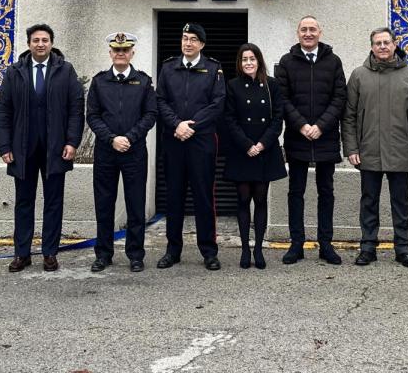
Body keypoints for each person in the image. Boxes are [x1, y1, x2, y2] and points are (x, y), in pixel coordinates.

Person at [0, 23, 85, 273]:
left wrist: (72, 142)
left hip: (55, 149)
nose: (40, 44)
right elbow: (2, 111)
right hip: (22, 149)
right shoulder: (14, 72)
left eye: (45, 40)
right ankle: (22, 254)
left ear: (52, 43)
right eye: (36, 40)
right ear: (28, 44)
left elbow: (76, 109)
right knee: (24, 202)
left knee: (54, 202)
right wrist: (4, 146)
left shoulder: (65, 71)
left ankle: (50, 253)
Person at [342, 28, 408, 267]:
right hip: (367, 150)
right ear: (371, 47)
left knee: (400, 203)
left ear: (394, 45)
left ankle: (403, 249)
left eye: (386, 42)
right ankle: (368, 247)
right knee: (368, 201)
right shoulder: (359, 75)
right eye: (377, 43)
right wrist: (351, 148)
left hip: (402, 150)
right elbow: (348, 115)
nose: (382, 46)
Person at [274, 15, 347, 265]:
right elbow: (282, 99)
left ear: (320, 32)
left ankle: (326, 244)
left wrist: (320, 126)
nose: (308, 33)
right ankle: (297, 244)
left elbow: (339, 98)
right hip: (297, 137)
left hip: (325, 137)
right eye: (304, 29)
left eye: (312, 29)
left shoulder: (333, 62)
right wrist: (303, 125)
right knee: (296, 191)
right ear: (298, 33)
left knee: (326, 192)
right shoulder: (286, 62)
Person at [155, 23, 226, 270]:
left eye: (193, 39)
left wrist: (191, 126)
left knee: (204, 197)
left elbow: (217, 104)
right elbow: (160, 101)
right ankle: (172, 251)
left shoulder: (213, 69)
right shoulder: (168, 68)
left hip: (201, 142)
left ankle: (209, 251)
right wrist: (177, 125)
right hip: (174, 141)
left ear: (202, 45)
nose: (187, 43)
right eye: (184, 38)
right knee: (173, 197)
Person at [85, 32, 157, 273]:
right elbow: (92, 116)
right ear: (110, 53)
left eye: (125, 50)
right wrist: (112, 138)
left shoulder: (144, 82)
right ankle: (103, 254)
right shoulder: (100, 81)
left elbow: (150, 115)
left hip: (134, 152)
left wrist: (129, 137)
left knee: (136, 204)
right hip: (106, 152)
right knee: (104, 204)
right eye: (116, 50)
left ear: (132, 53)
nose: (120, 53)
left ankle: (135, 255)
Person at [220, 43, 287, 269]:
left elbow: (278, 118)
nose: (248, 62)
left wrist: (261, 144)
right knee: (242, 200)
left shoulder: (272, 85)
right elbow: (229, 119)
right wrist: (247, 145)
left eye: (252, 58)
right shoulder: (233, 86)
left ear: (259, 60)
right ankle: (245, 249)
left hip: (264, 150)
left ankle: (258, 248)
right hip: (242, 151)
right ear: (239, 63)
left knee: (260, 199)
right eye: (244, 59)